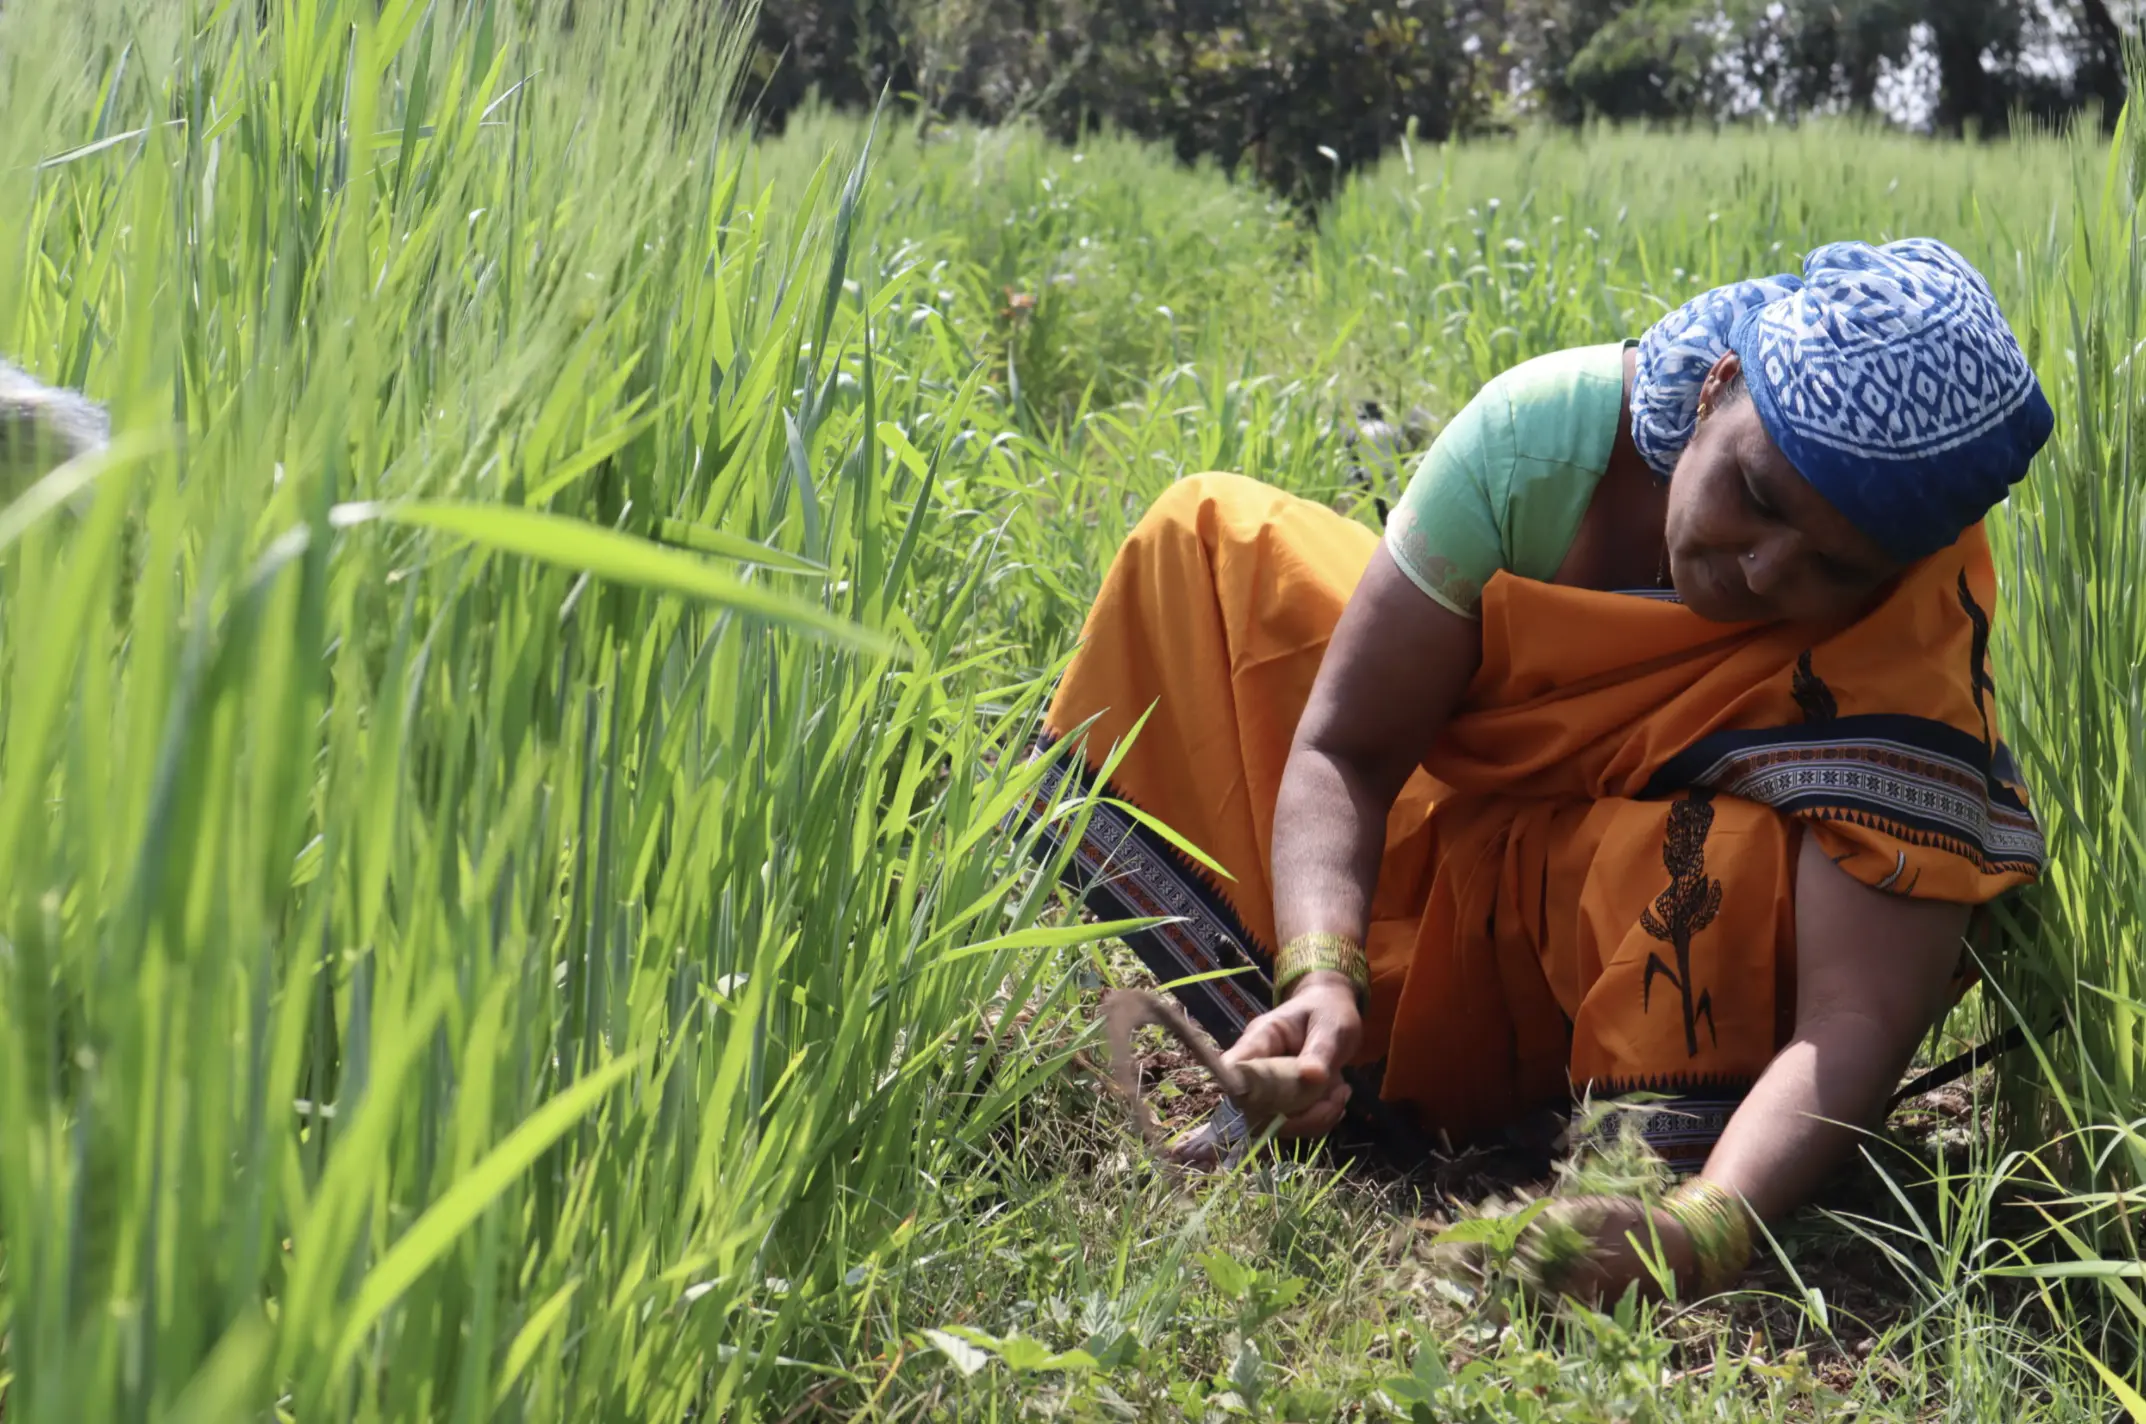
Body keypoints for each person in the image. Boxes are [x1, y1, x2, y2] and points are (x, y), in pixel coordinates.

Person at [1018, 236, 2053, 1304]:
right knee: (1214, 548)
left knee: (1743, 855)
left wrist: (1703, 1226)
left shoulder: (1902, 626)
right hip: (1441, 838)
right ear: (1718, 384)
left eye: (1832, 565)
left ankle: (1641, 1151)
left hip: (1628, 920)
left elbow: (1857, 1014)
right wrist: (1321, 973)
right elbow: (1346, 748)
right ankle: (1320, 1053)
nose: (1762, 565)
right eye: (1758, 492)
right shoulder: (1537, 448)